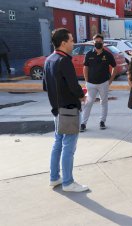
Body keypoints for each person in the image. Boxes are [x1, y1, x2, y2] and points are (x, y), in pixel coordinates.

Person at [43, 28, 88, 192]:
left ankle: (54, 177)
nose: (73, 43)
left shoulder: (49, 60)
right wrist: (82, 96)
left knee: (58, 144)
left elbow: (45, 86)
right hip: (68, 109)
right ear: (63, 43)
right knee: (69, 146)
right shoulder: (64, 61)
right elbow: (73, 86)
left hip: (56, 109)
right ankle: (68, 182)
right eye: (71, 40)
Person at [80, 34, 117, 132]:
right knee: (88, 103)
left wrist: (110, 80)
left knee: (103, 103)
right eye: (96, 41)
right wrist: (86, 80)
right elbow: (85, 67)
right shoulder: (89, 54)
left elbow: (114, 67)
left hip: (103, 83)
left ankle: (102, 122)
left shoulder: (108, 55)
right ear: (93, 42)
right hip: (91, 84)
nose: (98, 43)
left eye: (100, 41)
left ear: (103, 42)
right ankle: (83, 123)